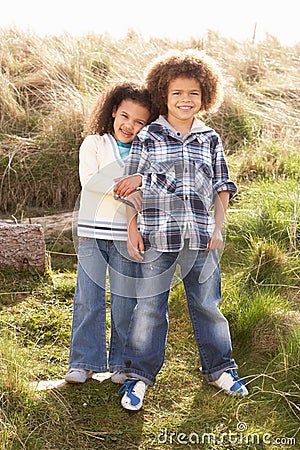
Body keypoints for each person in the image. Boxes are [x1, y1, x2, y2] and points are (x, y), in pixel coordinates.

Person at [113, 49, 249, 410]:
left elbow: (223, 186)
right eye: (177, 93)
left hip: (203, 237)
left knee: (207, 304)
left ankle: (220, 369)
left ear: (206, 95)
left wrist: (218, 228)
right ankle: (138, 378)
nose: (185, 100)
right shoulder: (149, 136)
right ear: (163, 95)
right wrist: (132, 227)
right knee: (150, 307)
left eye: (193, 93)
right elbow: (132, 186)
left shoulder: (211, 139)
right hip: (158, 234)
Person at [65, 82, 155, 384]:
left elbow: (149, 189)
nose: (130, 125)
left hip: (127, 235)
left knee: (124, 300)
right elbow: (90, 182)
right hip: (92, 232)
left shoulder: (145, 154)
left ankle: (121, 363)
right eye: (125, 116)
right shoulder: (94, 143)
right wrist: (129, 190)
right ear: (114, 110)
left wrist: (135, 186)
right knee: (88, 298)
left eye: (140, 121)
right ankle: (83, 361)